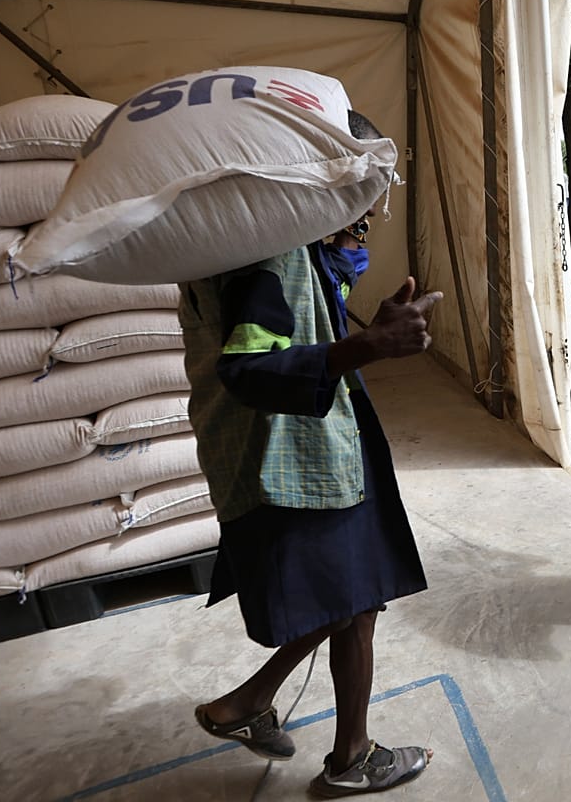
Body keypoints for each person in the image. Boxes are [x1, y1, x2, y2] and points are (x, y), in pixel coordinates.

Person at [182, 110, 443, 796]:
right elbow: (249, 370)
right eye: (359, 182)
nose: (365, 210)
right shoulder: (265, 248)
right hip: (288, 463)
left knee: (354, 594)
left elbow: (290, 332)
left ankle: (242, 706)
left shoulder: (276, 239)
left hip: (312, 453)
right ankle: (351, 758)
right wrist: (367, 345)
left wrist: (365, 329)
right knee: (356, 601)